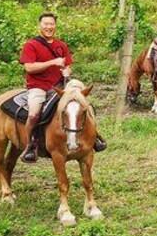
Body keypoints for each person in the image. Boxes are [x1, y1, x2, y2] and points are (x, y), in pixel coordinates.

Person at [18, 12, 107, 162]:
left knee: (84, 105)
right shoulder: (31, 45)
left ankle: (95, 137)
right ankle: (30, 145)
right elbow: (29, 68)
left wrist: (67, 71)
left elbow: (68, 66)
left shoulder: (61, 45)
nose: (49, 27)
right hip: (38, 87)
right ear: (40, 25)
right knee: (33, 114)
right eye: (45, 24)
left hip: (59, 86)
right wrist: (52, 63)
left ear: (55, 26)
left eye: (51, 24)